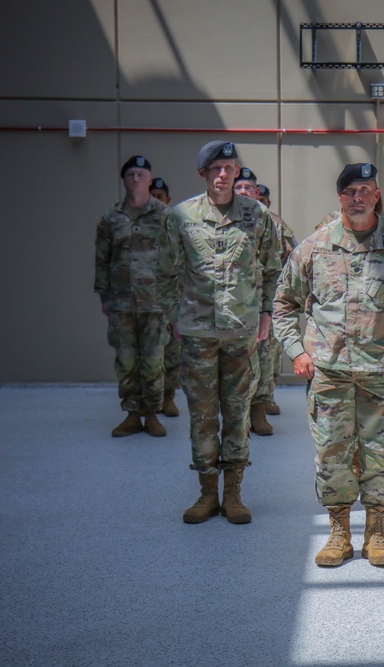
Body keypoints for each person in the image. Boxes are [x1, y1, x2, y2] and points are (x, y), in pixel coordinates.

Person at [273, 162, 384, 567]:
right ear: (340, 197)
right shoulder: (315, 247)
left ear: (377, 194)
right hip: (329, 375)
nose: (358, 197)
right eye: (350, 191)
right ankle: (339, 532)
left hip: (382, 375)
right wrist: (297, 351)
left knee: (379, 454)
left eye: (365, 189)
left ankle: (377, 532)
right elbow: (282, 304)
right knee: (332, 455)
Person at [168, 141, 281, 525]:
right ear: (203, 173)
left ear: (237, 173)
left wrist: (266, 313)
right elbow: (166, 270)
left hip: (241, 331)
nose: (223, 174)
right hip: (198, 331)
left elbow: (272, 269)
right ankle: (205, 494)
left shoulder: (257, 215)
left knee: (236, 411)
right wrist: (173, 317)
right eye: (216, 167)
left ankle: (233, 494)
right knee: (202, 413)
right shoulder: (182, 216)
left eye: (229, 167)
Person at [94, 155, 173, 438]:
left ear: (150, 180)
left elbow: (176, 258)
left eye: (141, 174)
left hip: (155, 304)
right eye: (130, 175)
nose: (136, 179)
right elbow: (102, 258)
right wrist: (103, 295)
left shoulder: (166, 216)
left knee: (153, 361)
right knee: (126, 361)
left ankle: (152, 414)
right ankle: (131, 414)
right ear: (124, 180)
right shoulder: (110, 218)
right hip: (121, 303)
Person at [233, 172, 298, 434]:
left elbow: (289, 260)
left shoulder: (271, 222)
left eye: (249, 187)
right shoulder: (222, 220)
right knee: (234, 361)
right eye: (239, 186)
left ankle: (259, 408)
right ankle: (237, 413)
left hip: (263, 301)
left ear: (257, 191)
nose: (244, 191)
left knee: (263, 355)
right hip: (232, 304)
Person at [149, 177, 182, 418]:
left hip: (173, 296)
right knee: (150, 352)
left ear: (167, 199)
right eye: (153, 195)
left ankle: (169, 396)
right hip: (146, 298)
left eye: (160, 196)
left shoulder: (177, 222)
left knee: (172, 351)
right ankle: (151, 399)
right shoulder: (137, 222)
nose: (156, 200)